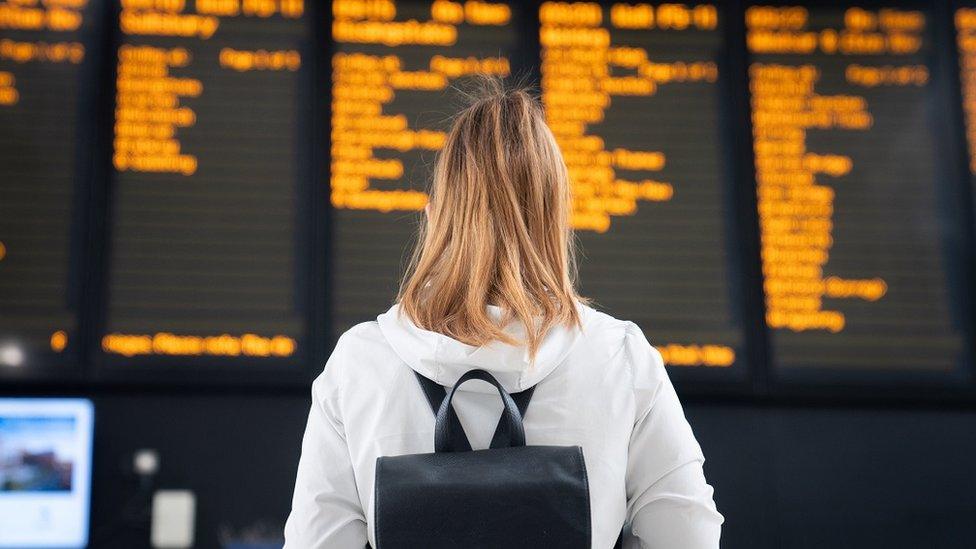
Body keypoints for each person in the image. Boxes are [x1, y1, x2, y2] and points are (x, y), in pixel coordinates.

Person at [284, 78, 723, 548]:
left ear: (434, 220)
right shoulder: (620, 358)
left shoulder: (359, 363)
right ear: (556, 222)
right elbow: (688, 536)